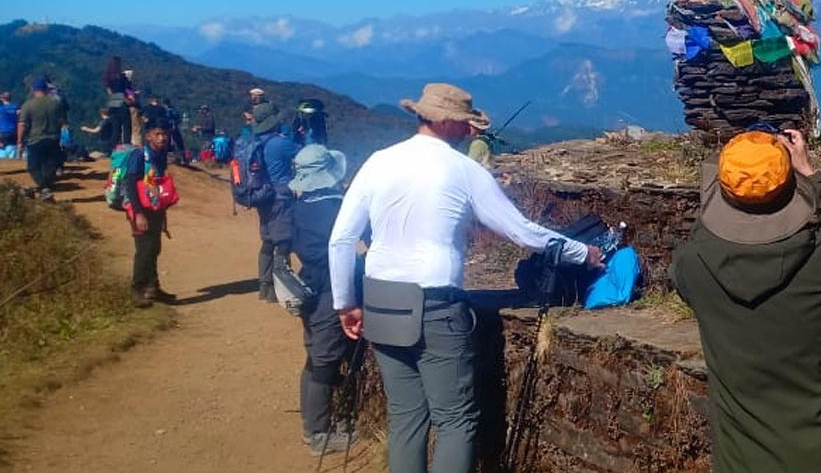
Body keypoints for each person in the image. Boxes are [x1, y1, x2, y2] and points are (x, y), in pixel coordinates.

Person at [327, 83, 605, 473]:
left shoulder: (378, 161)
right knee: (455, 420)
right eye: (465, 124)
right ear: (448, 123)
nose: (470, 131)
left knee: (406, 417)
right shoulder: (464, 170)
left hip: (380, 298)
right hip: (436, 303)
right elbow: (521, 231)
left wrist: (347, 304)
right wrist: (583, 252)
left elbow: (341, 239)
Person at [671, 129, 821, 473]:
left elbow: (700, 237)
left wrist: (723, 188)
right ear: (789, 190)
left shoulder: (692, 268)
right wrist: (810, 172)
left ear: (721, 195)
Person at [287, 144, 358, 456]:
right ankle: (318, 434)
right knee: (325, 361)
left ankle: (314, 422)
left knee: (315, 356)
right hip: (331, 289)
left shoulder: (302, 204)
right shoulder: (334, 207)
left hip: (309, 285)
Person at [122, 119, 177, 307]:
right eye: (157, 134)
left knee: (154, 248)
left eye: (164, 134)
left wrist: (163, 216)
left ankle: (153, 288)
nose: (162, 138)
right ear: (148, 136)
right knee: (144, 249)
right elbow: (130, 184)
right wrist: (138, 214)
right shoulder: (139, 156)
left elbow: (158, 187)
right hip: (138, 209)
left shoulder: (160, 155)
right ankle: (137, 290)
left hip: (154, 209)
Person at [250, 104, 298, 302]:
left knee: (268, 242)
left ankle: (264, 286)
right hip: (281, 198)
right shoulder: (280, 143)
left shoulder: (255, 141)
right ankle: (281, 289)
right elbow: (303, 155)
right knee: (283, 243)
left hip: (262, 198)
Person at [15, 79, 67, 200]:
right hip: (53, 138)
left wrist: (19, 141)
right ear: (46, 89)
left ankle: (44, 188)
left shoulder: (28, 105)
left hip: (35, 139)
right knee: (49, 165)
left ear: (33, 90)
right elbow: (62, 120)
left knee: (33, 166)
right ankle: (46, 187)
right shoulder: (56, 103)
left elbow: (22, 124)